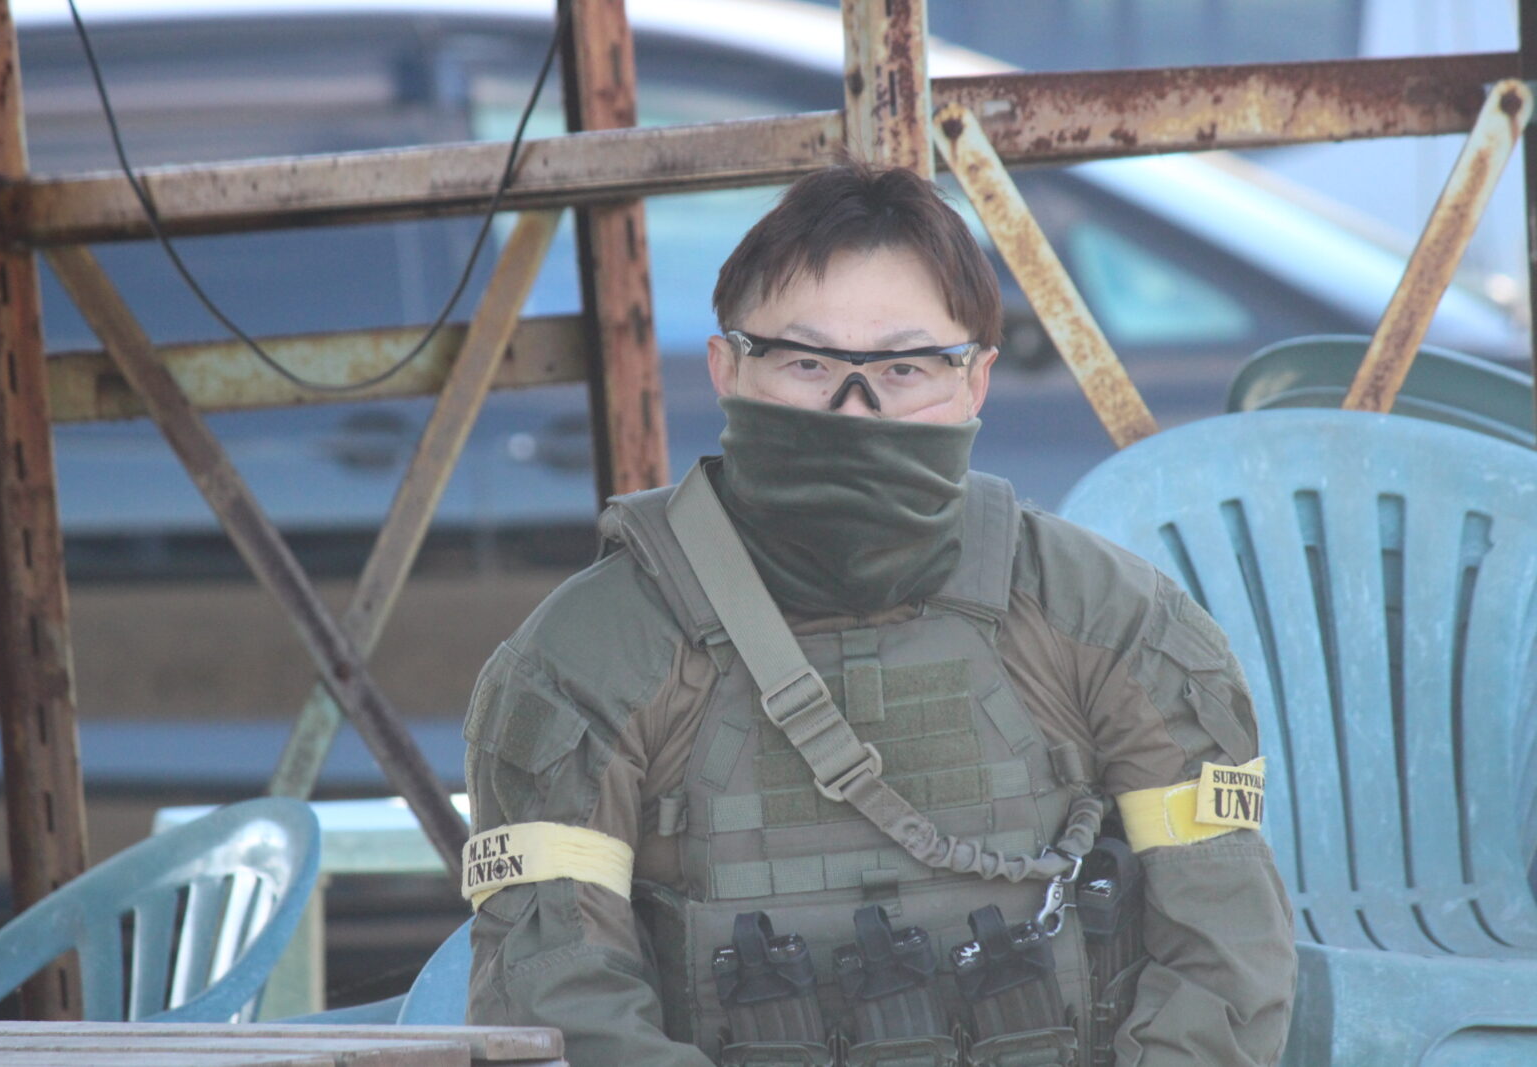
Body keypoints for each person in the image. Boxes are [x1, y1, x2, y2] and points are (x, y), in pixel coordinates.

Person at [460, 162, 1296, 1067]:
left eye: (903, 367)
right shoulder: (590, 657)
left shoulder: (1107, 620)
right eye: (807, 362)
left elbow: (1224, 958)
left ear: (975, 381)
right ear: (727, 369)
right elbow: (560, 1003)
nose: (853, 408)